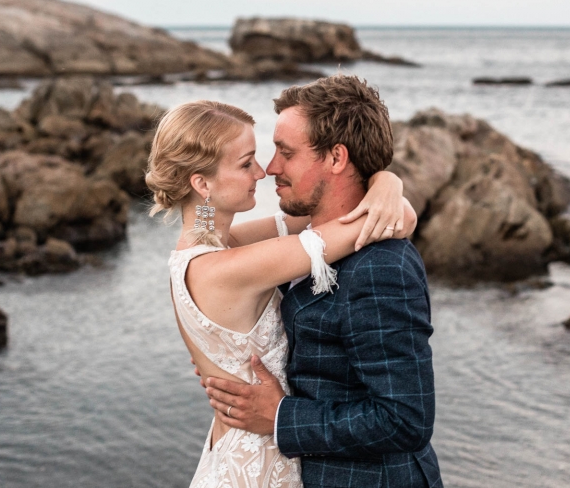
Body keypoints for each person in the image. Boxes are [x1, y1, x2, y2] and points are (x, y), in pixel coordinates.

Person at [146, 99, 417, 488]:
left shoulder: (214, 247)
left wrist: (384, 181)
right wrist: (388, 183)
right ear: (202, 184)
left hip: (238, 448)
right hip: (256, 461)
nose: (263, 171)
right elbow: (385, 221)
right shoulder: (229, 268)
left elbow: (335, 212)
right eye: (245, 164)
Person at [205, 75, 443, 488]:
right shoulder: (303, 243)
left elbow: (406, 420)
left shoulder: (380, 268)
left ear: (336, 158)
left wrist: (281, 417)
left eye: (286, 152)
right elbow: (210, 242)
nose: (271, 168)